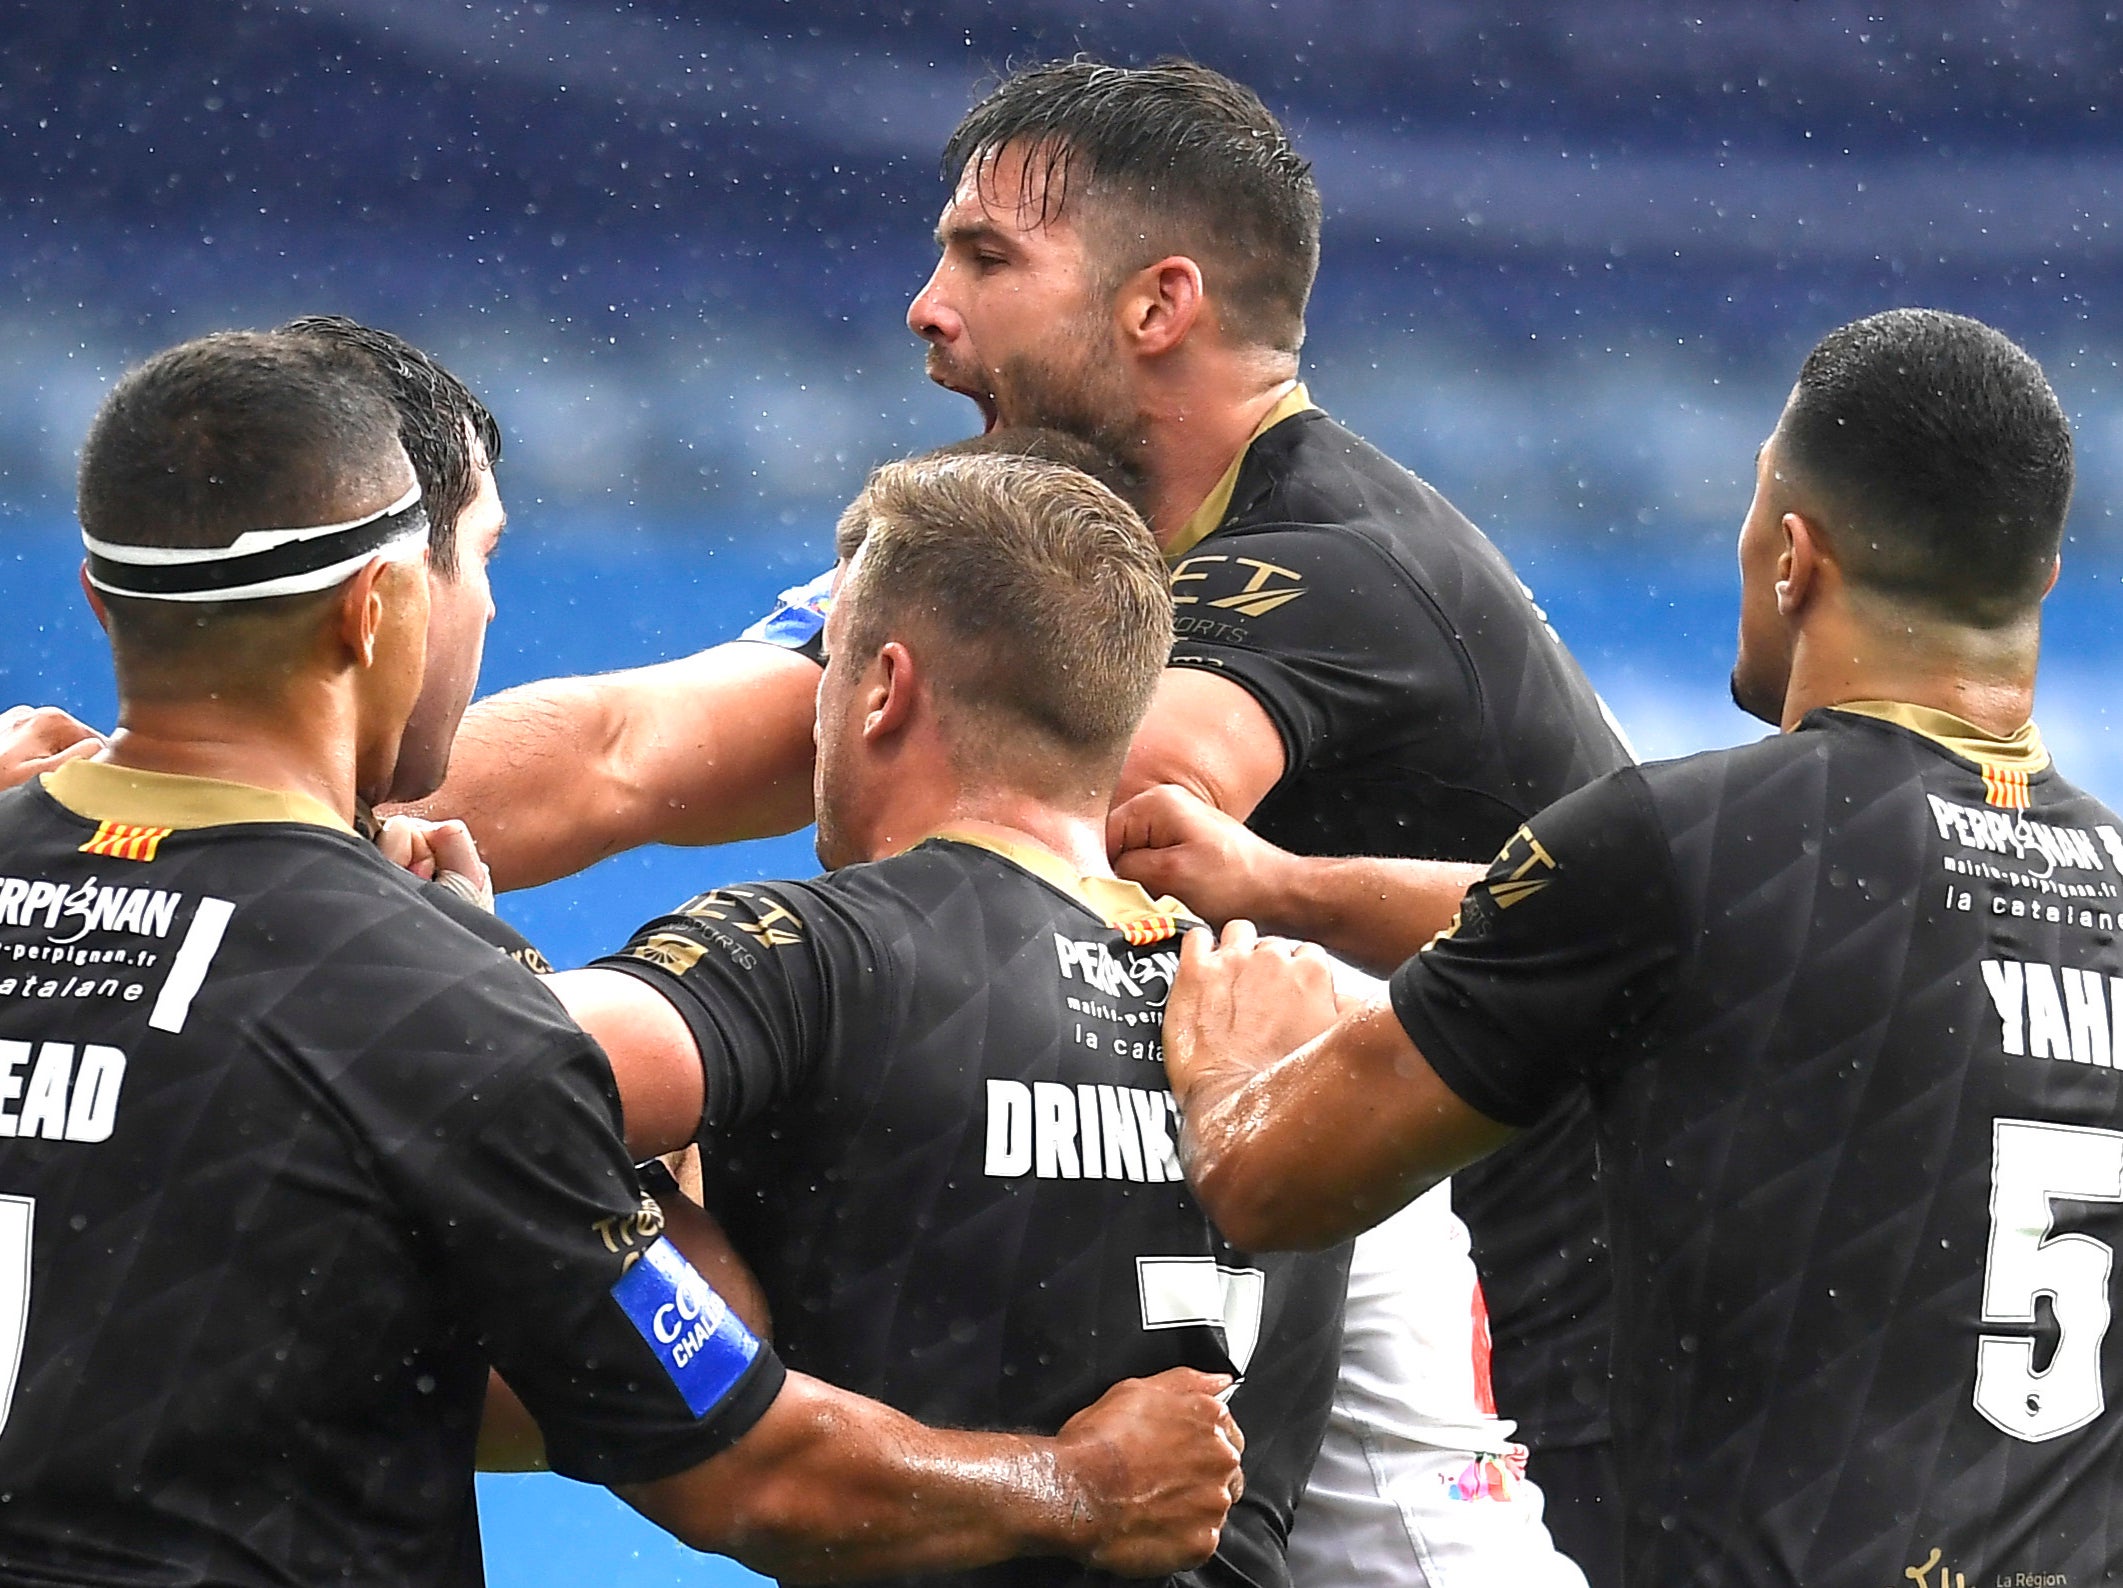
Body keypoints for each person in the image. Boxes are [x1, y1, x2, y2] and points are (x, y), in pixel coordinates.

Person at [399, 58, 1624, 1586]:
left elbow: (1047, 829)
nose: (923, 306)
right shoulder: (1029, 558)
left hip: (1526, 1330)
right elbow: (628, 749)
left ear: (1155, 305)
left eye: (983, 257)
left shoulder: (1330, 568)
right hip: (1276, 1216)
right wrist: (215, 790)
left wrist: (706, 1068)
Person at [0, 330, 1244, 1585]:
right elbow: (744, 1458)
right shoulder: (437, 1009)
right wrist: (1087, 1486)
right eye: (482, 559)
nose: (487, 604)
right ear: (377, 611)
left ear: (105, 600)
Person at [1156, 308, 2122, 1587]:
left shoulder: (1689, 845)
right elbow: (1627, 928)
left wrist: (1236, 1058)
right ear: (2040, 575)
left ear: (1792, 556)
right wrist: (1294, 887)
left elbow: (1272, 1179)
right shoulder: (2081, 880)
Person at [545, 449, 1351, 1588]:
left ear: (881, 686)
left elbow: (475, 1074)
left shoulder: (814, 954)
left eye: (821, 678)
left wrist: (654, 1249)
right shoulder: (1294, 1026)